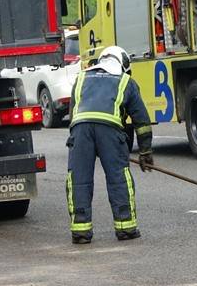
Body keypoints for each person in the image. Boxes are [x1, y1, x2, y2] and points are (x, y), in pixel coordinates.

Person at [66, 45, 153, 244]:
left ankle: (80, 231)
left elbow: (73, 114)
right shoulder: (125, 81)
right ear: (122, 63)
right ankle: (126, 228)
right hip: (110, 130)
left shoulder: (81, 78)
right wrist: (145, 151)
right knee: (118, 178)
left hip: (80, 130)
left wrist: (84, 143)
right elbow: (141, 120)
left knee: (79, 179)